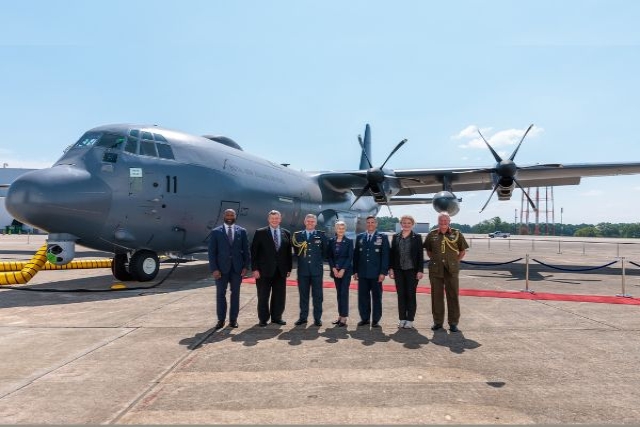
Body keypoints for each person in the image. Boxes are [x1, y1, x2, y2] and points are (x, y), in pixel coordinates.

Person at [423, 212, 469, 333]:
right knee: (436, 296)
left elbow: (462, 251)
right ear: (438, 222)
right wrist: (437, 260)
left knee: (453, 296)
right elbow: (428, 251)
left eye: (445, 221)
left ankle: (453, 323)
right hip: (436, 269)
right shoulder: (432, 234)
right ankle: (438, 322)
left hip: (451, 270)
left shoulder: (457, 234)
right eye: (441, 221)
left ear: (449, 221)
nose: (443, 223)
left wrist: (454, 261)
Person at [208, 209, 251, 329]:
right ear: (224, 216)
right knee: (220, 294)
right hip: (221, 270)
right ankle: (221, 320)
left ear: (235, 216)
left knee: (235, 294)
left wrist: (246, 267)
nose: (230, 217)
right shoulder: (216, 232)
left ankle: (233, 320)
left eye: (232, 215)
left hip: (237, 269)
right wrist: (214, 269)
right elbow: (212, 252)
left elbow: (246, 251)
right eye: (227, 215)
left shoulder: (241, 231)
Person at [250, 210, 292, 327]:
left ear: (280, 219)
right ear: (268, 220)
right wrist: (255, 269)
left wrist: (289, 268)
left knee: (279, 296)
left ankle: (276, 317)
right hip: (263, 271)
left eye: (277, 218)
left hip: (281, 271)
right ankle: (263, 319)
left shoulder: (286, 233)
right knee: (263, 296)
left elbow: (288, 253)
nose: (274, 220)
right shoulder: (260, 232)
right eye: (272, 218)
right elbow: (254, 253)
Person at [388, 215, 424, 329]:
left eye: (408, 223)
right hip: (398, 270)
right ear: (401, 224)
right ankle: (402, 318)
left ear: (412, 224)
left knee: (411, 295)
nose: (406, 225)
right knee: (401, 295)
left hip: (412, 271)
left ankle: (410, 320)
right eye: (404, 223)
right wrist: (391, 268)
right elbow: (392, 254)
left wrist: (420, 270)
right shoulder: (395, 237)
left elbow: (420, 255)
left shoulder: (417, 237)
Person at [353, 215, 389, 328]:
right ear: (365, 224)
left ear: (376, 224)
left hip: (376, 274)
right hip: (362, 273)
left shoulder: (382, 237)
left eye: (372, 222)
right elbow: (356, 256)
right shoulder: (360, 237)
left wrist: (383, 272)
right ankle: (365, 318)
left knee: (377, 297)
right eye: (368, 222)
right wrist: (355, 271)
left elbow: (385, 256)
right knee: (363, 297)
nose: (370, 224)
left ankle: (376, 320)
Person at [292, 214, 328, 327]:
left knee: (317, 296)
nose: (310, 223)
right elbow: (296, 252)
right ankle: (303, 318)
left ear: (316, 223)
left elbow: (325, 252)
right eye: (308, 221)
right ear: (304, 222)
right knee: (303, 295)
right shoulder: (297, 236)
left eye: (312, 221)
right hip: (303, 271)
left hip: (316, 271)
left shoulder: (321, 235)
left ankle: (317, 318)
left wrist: (317, 262)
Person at [326, 220, 354, 327]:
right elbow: (330, 256)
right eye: (338, 228)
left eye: (342, 228)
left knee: (344, 293)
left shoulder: (349, 241)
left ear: (345, 230)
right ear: (335, 229)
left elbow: (349, 257)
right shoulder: (332, 241)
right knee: (339, 294)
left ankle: (344, 317)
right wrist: (333, 268)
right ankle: (340, 316)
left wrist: (342, 270)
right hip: (335, 272)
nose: (340, 230)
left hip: (345, 272)